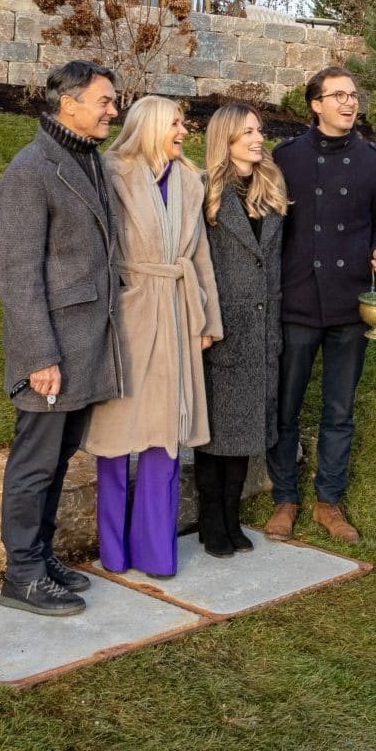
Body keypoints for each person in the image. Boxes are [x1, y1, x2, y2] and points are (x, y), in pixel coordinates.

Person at [0, 60, 124, 616]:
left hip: (86, 344)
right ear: (68, 103)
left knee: (59, 457)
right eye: (105, 101)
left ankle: (39, 556)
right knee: (34, 463)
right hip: (54, 351)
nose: (114, 110)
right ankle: (20, 575)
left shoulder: (88, 161)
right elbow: (16, 274)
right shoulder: (31, 170)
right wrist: (39, 355)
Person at [84, 96, 223, 577]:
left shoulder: (189, 180)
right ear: (152, 126)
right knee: (116, 438)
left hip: (177, 316)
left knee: (165, 438)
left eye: (184, 123)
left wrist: (208, 321)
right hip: (129, 315)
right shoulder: (111, 172)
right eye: (177, 123)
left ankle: (155, 554)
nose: (185, 130)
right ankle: (114, 553)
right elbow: (93, 246)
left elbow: (200, 256)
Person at [266, 65, 376, 545]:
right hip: (297, 299)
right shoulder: (286, 158)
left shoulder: (373, 161)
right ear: (315, 104)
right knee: (285, 406)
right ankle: (285, 498)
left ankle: (328, 501)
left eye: (353, 94)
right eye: (338, 95)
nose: (349, 102)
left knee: (339, 410)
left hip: (350, 305)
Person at [195, 102, 288, 557]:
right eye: (248, 132)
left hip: (261, 330)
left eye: (259, 130)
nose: (258, 138)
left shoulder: (269, 188)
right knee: (217, 437)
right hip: (222, 330)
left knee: (244, 436)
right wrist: (202, 321)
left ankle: (231, 520)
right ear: (226, 139)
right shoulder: (206, 192)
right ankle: (213, 523)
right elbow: (195, 264)